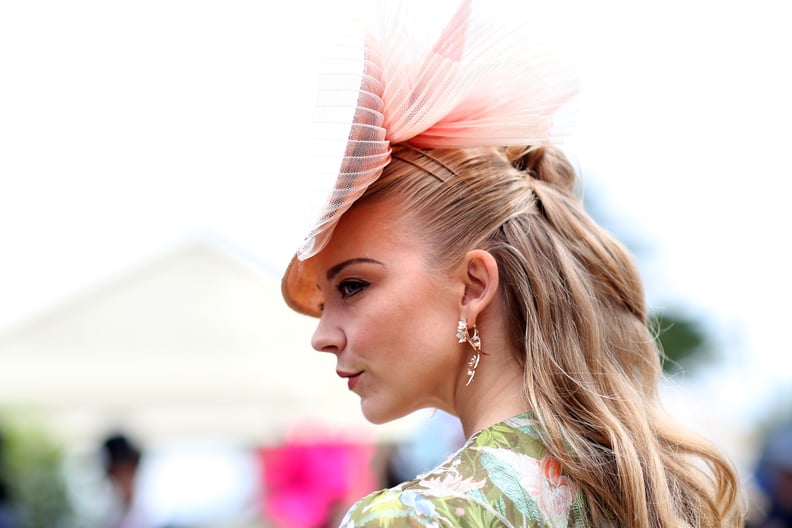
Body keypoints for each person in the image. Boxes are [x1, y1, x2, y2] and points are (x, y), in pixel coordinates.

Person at [280, 1, 743, 526]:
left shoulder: (417, 517)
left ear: (474, 285)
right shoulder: (653, 493)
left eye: (353, 286)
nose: (322, 335)